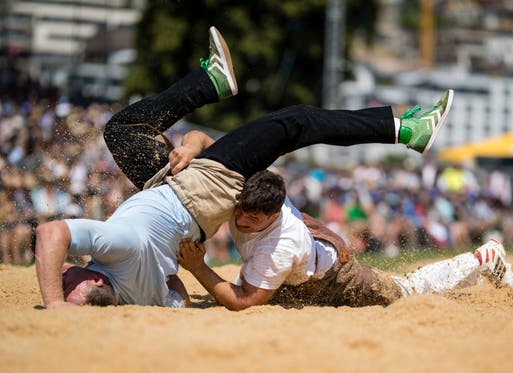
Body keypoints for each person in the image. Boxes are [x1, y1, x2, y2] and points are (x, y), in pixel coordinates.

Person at [35, 26, 453, 309]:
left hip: (174, 191)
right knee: (296, 122)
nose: (70, 270)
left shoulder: (135, 295)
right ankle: (405, 130)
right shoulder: (117, 247)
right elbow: (50, 232)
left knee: (123, 131)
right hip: (194, 191)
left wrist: (194, 142)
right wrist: (54, 303)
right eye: (73, 277)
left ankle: (211, 83)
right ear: (94, 283)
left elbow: (174, 290)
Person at [177, 170, 513, 311]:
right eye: (241, 212)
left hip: (337, 278)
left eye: (253, 219)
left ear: (273, 213)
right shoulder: (251, 192)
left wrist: (197, 267)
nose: (240, 221)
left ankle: (484, 258)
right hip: (313, 251)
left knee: (405, 291)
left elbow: (245, 302)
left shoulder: (280, 246)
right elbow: (215, 151)